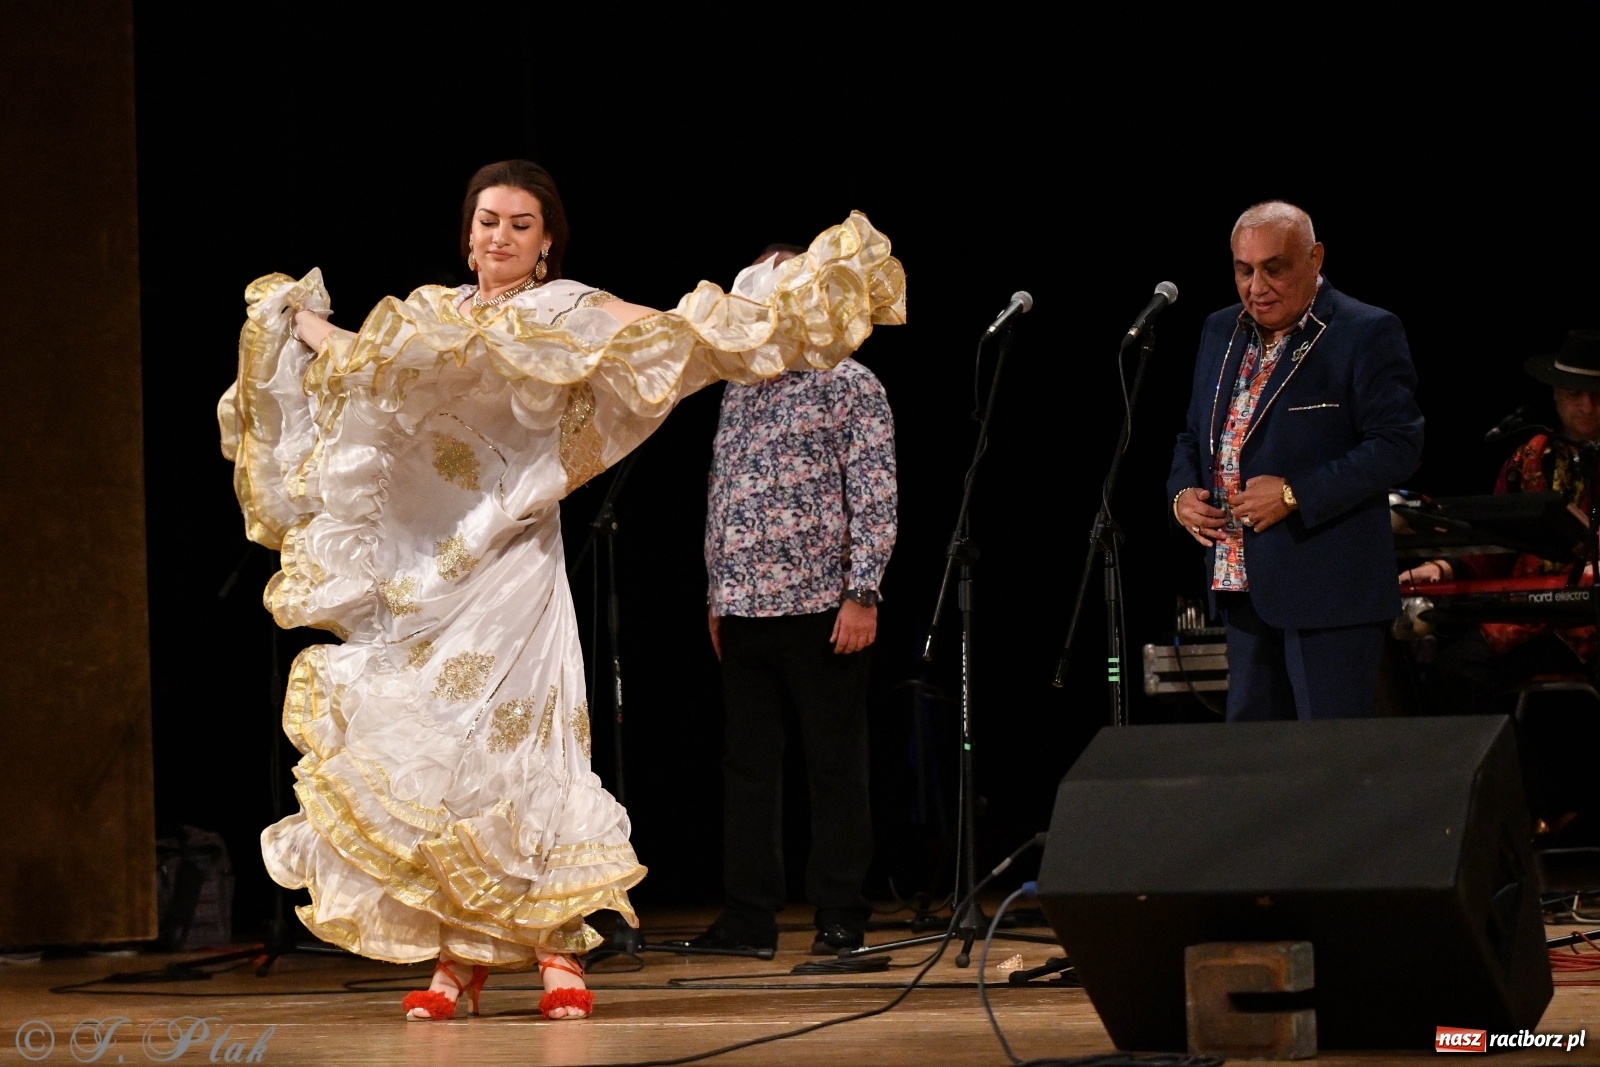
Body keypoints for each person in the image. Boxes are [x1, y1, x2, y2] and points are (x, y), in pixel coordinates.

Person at [218, 162, 905, 1020]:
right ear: (467, 232)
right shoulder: (428, 315)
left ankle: (553, 950)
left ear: (547, 242)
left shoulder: (567, 307)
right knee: (439, 757)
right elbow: (367, 365)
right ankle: (454, 964)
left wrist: (770, 307)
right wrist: (300, 322)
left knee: (526, 749)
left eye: (519, 224)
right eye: (487, 220)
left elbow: (668, 335)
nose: (499, 236)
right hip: (434, 574)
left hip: (513, 567)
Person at [689, 244, 897, 955]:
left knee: (834, 766)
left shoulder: (850, 383)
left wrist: (863, 591)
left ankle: (841, 912)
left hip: (822, 607)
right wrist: (717, 594)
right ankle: (749, 916)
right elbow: (725, 491)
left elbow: (874, 495)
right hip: (744, 609)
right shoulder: (739, 386)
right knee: (748, 770)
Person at [1168, 201, 1423, 721]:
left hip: (1329, 590)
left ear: (1315, 258)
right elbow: (1195, 435)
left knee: (1326, 767)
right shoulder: (1220, 331)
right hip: (1239, 585)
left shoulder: (1364, 330)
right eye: (1244, 269)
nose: (1256, 285)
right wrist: (1181, 494)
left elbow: (1398, 445)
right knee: (1257, 766)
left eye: (1274, 268)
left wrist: (1293, 493)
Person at [1402, 330, 1600, 715]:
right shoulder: (1530, 457)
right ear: (1557, 396)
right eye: (1575, 395)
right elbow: (1497, 542)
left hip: (1594, 621)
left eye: (1598, 395)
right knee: (1455, 672)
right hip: (1530, 619)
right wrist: (1443, 567)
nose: (1588, 407)